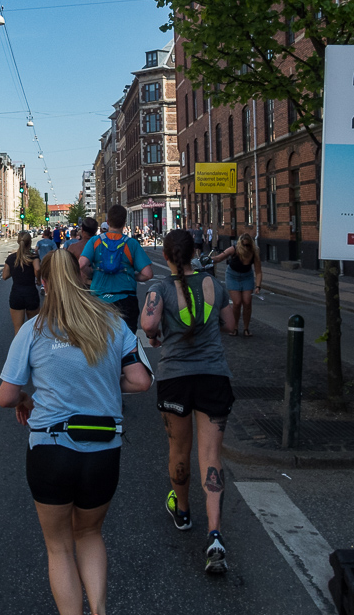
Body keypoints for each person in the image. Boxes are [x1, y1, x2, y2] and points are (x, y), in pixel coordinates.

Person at [0, 250, 152, 615]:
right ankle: (99, 611)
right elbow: (142, 381)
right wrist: (105, 386)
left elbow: (5, 397)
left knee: (59, 546)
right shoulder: (113, 323)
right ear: (83, 276)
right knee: (89, 534)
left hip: (50, 451)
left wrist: (25, 397)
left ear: (44, 283)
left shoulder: (33, 331)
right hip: (103, 451)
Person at [140, 229, 236, 574]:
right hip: (213, 377)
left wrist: (155, 336)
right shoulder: (214, 284)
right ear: (195, 252)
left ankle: (182, 512)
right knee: (211, 456)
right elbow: (231, 324)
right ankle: (214, 534)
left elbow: (148, 323)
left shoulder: (159, 288)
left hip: (175, 379)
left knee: (178, 451)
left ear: (166, 256)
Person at [80, 205, 154, 334]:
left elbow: (82, 264)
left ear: (108, 222)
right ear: (124, 223)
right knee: (128, 342)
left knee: (101, 341)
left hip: (99, 299)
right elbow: (147, 274)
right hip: (126, 299)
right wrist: (132, 275)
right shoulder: (131, 244)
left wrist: (92, 274)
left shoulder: (95, 241)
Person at [211, 234, 263, 336]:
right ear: (240, 244)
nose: (246, 247)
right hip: (232, 276)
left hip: (247, 277)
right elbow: (219, 258)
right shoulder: (234, 249)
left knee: (247, 301)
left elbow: (258, 271)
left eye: (248, 245)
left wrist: (258, 286)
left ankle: (246, 328)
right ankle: (234, 327)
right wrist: (207, 260)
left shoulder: (254, 252)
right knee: (237, 302)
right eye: (244, 245)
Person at [3, 231, 41, 334]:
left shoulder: (11, 258)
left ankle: (19, 349)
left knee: (18, 329)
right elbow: (37, 269)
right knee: (34, 328)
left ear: (18, 242)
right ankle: (33, 349)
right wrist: (38, 279)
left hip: (16, 294)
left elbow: (5, 276)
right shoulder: (33, 257)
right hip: (30, 293)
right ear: (30, 242)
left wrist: (15, 271)